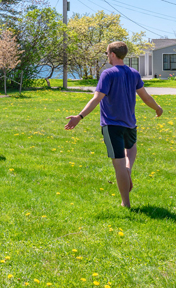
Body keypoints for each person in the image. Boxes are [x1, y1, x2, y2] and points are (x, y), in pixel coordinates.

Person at [65, 41, 163, 208]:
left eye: (106, 53)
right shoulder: (134, 73)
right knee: (131, 147)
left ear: (112, 54)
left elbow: (96, 98)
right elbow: (145, 97)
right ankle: (128, 170)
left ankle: (126, 203)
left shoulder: (108, 74)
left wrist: (79, 117)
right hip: (130, 124)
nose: (107, 56)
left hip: (111, 126)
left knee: (118, 164)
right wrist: (157, 108)